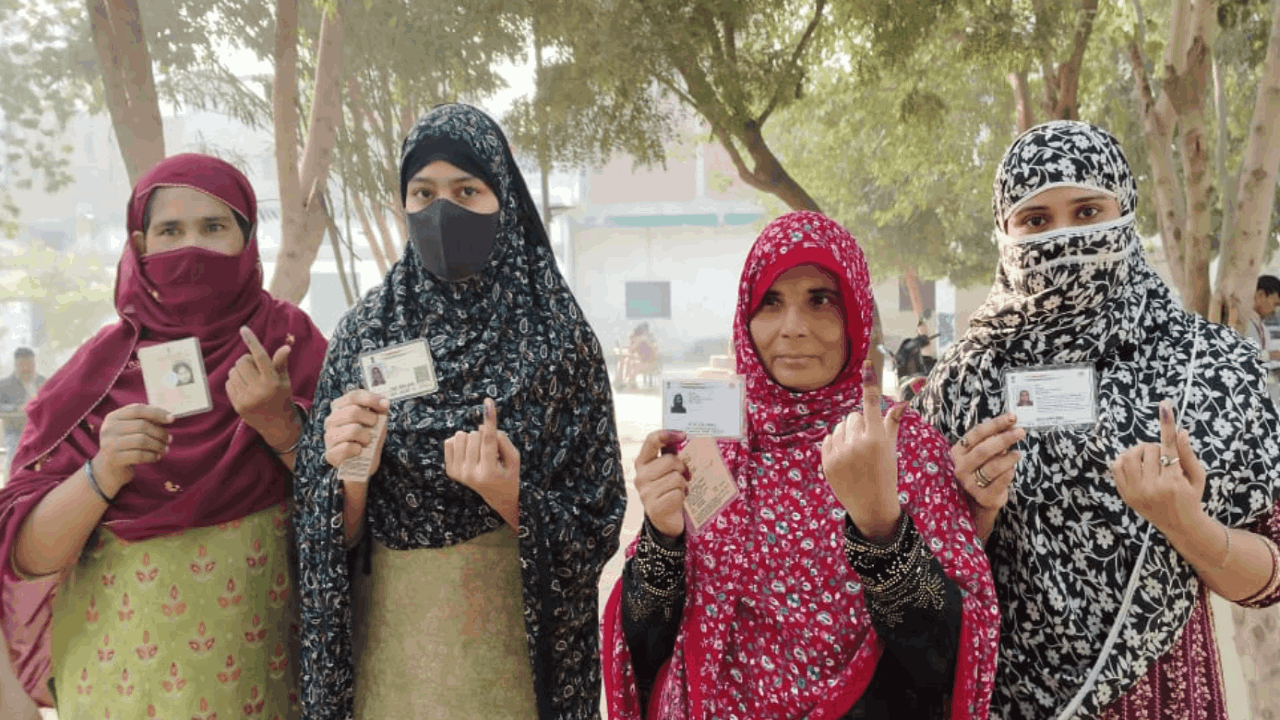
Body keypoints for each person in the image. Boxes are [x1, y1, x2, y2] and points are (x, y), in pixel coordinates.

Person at [916, 121, 1280, 720]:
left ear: (1125, 210)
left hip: (1164, 698)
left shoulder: (1207, 365)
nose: (1064, 237)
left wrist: (1186, 524)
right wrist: (970, 517)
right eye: (1036, 220)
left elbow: (1268, 577)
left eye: (1088, 211)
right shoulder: (962, 380)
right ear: (1004, 234)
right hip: (1006, 702)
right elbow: (920, 597)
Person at [292, 103, 626, 720]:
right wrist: (352, 476)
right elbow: (324, 537)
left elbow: (599, 518)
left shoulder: (559, 342)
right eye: (423, 192)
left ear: (504, 199)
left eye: (466, 190)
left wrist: (512, 495)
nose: (441, 211)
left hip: (514, 658)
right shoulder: (366, 334)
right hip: (394, 658)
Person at [603, 211, 999, 719]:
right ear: (746, 319)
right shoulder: (709, 449)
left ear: (855, 313)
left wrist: (882, 529)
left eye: (821, 300)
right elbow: (649, 641)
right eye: (771, 301)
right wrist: (662, 538)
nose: (792, 329)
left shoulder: (903, 447)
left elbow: (951, 656)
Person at [0, 154, 327, 718]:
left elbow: (355, 507)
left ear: (247, 240)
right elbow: (28, 556)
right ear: (140, 244)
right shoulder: (97, 373)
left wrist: (282, 426)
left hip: (267, 675)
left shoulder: (289, 342)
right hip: (119, 679)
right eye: (170, 231)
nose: (191, 248)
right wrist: (102, 473)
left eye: (214, 228)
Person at [0, 348, 46, 481]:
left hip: (40, 431)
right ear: (16, 365)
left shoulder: (43, 382)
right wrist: (15, 408)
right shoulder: (5, 385)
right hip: (15, 431)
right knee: (15, 454)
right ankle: (11, 484)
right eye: (22, 365)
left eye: (29, 364)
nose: (26, 369)